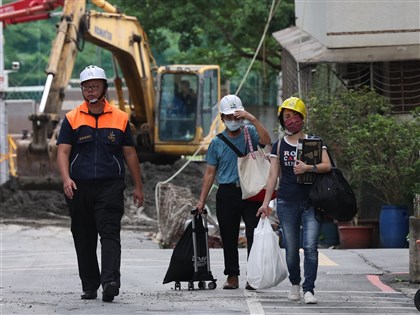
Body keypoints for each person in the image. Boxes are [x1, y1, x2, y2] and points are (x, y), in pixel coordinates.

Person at [56, 65, 144, 303]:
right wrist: (66, 179)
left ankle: (110, 282)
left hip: (110, 186)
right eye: (86, 86)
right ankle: (90, 285)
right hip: (79, 187)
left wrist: (138, 186)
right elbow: (63, 153)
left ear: (104, 88)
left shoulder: (120, 118)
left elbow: (130, 155)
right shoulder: (72, 119)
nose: (90, 90)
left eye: (94, 86)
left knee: (109, 233)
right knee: (83, 237)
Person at [257, 97, 331, 304]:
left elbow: (327, 166)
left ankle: (309, 290)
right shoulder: (279, 146)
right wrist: (265, 203)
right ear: (282, 121)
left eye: (294, 116)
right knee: (291, 248)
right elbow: (273, 177)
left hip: (311, 203)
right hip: (287, 203)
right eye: (286, 117)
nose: (290, 121)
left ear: (302, 118)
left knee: (310, 247)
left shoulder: (313, 143)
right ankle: (295, 284)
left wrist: (308, 168)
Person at [195, 94, 271, 290]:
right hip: (227, 193)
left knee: (254, 234)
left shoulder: (251, 132)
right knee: (228, 236)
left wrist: (252, 118)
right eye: (229, 117)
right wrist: (201, 201)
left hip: (252, 192)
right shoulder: (217, 143)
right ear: (222, 118)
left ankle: (253, 276)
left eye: (237, 117)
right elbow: (209, 174)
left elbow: (267, 140)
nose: (233, 121)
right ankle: (232, 275)